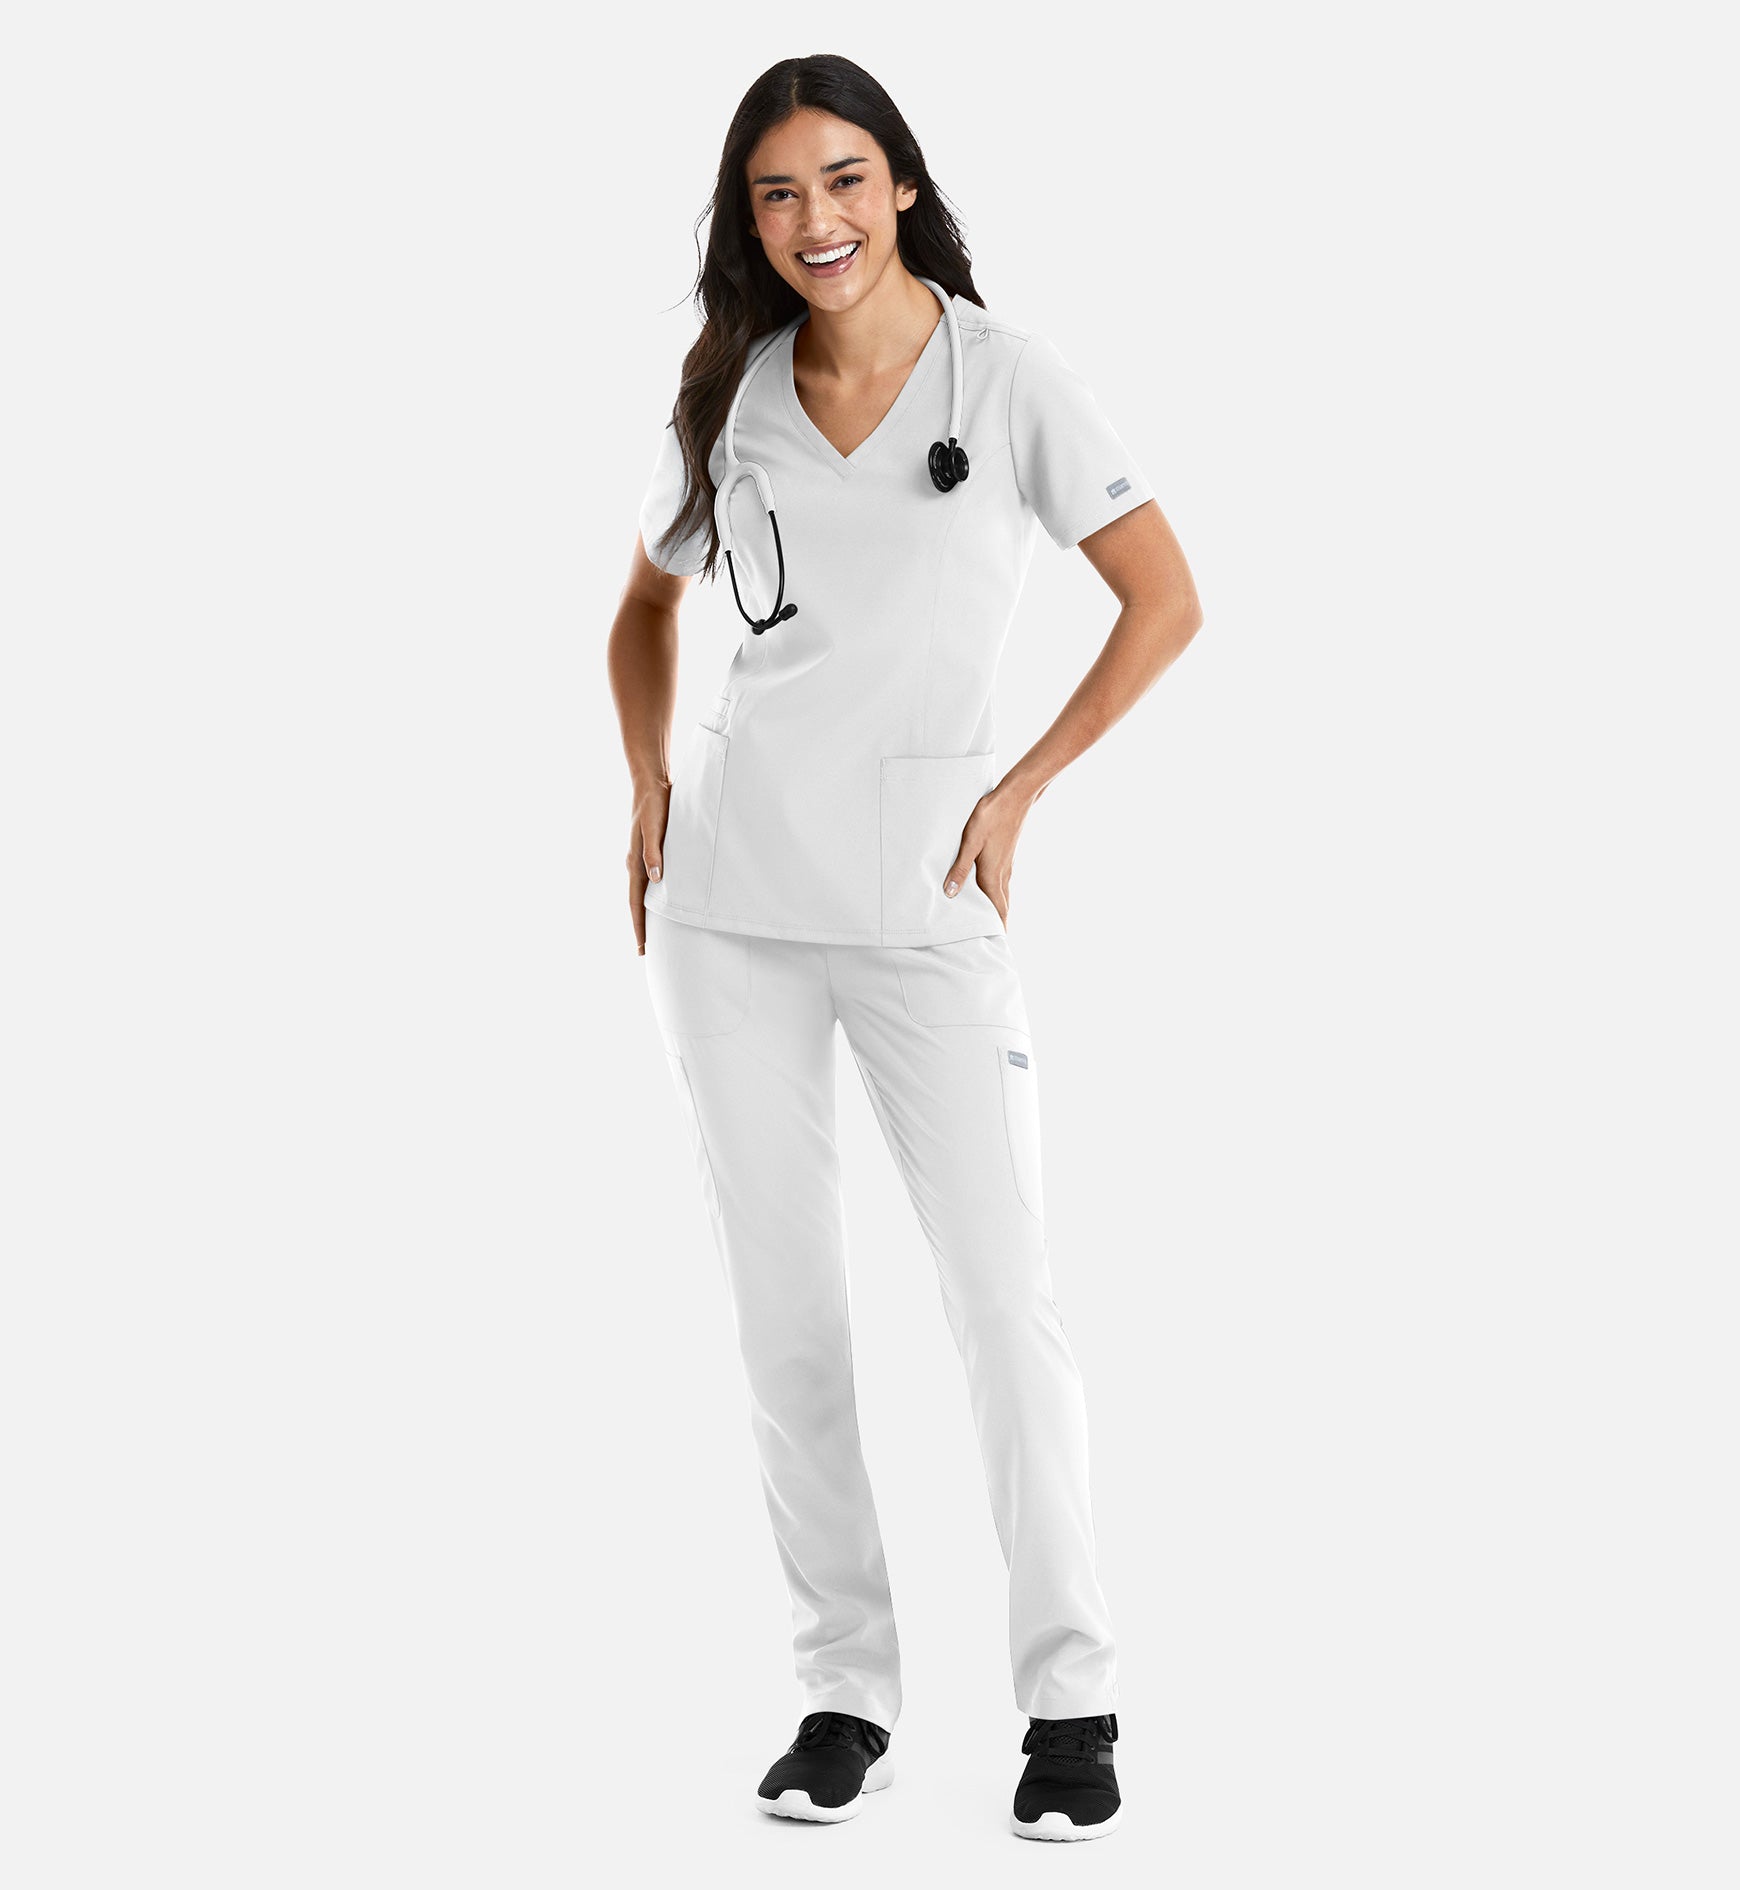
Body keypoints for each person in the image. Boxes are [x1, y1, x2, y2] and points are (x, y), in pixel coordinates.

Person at [607, 54, 1202, 1842]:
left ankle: (1072, 1702)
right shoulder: (730, 391)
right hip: (729, 906)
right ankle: (843, 1692)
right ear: (750, 221)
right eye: (779, 193)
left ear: (906, 186)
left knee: (1004, 1305)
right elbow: (643, 608)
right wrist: (646, 781)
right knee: (786, 1314)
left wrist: (1021, 790)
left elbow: (1164, 595)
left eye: (846, 179)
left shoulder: (1006, 380)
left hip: (928, 901)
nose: (818, 221)